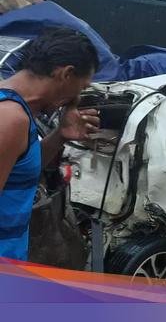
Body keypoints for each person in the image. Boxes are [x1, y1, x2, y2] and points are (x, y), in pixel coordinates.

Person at [0, 28, 100, 260]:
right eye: (82, 87)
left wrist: (60, 135)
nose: (78, 96)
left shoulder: (17, 111)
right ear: (66, 74)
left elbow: (20, 169)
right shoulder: (10, 118)